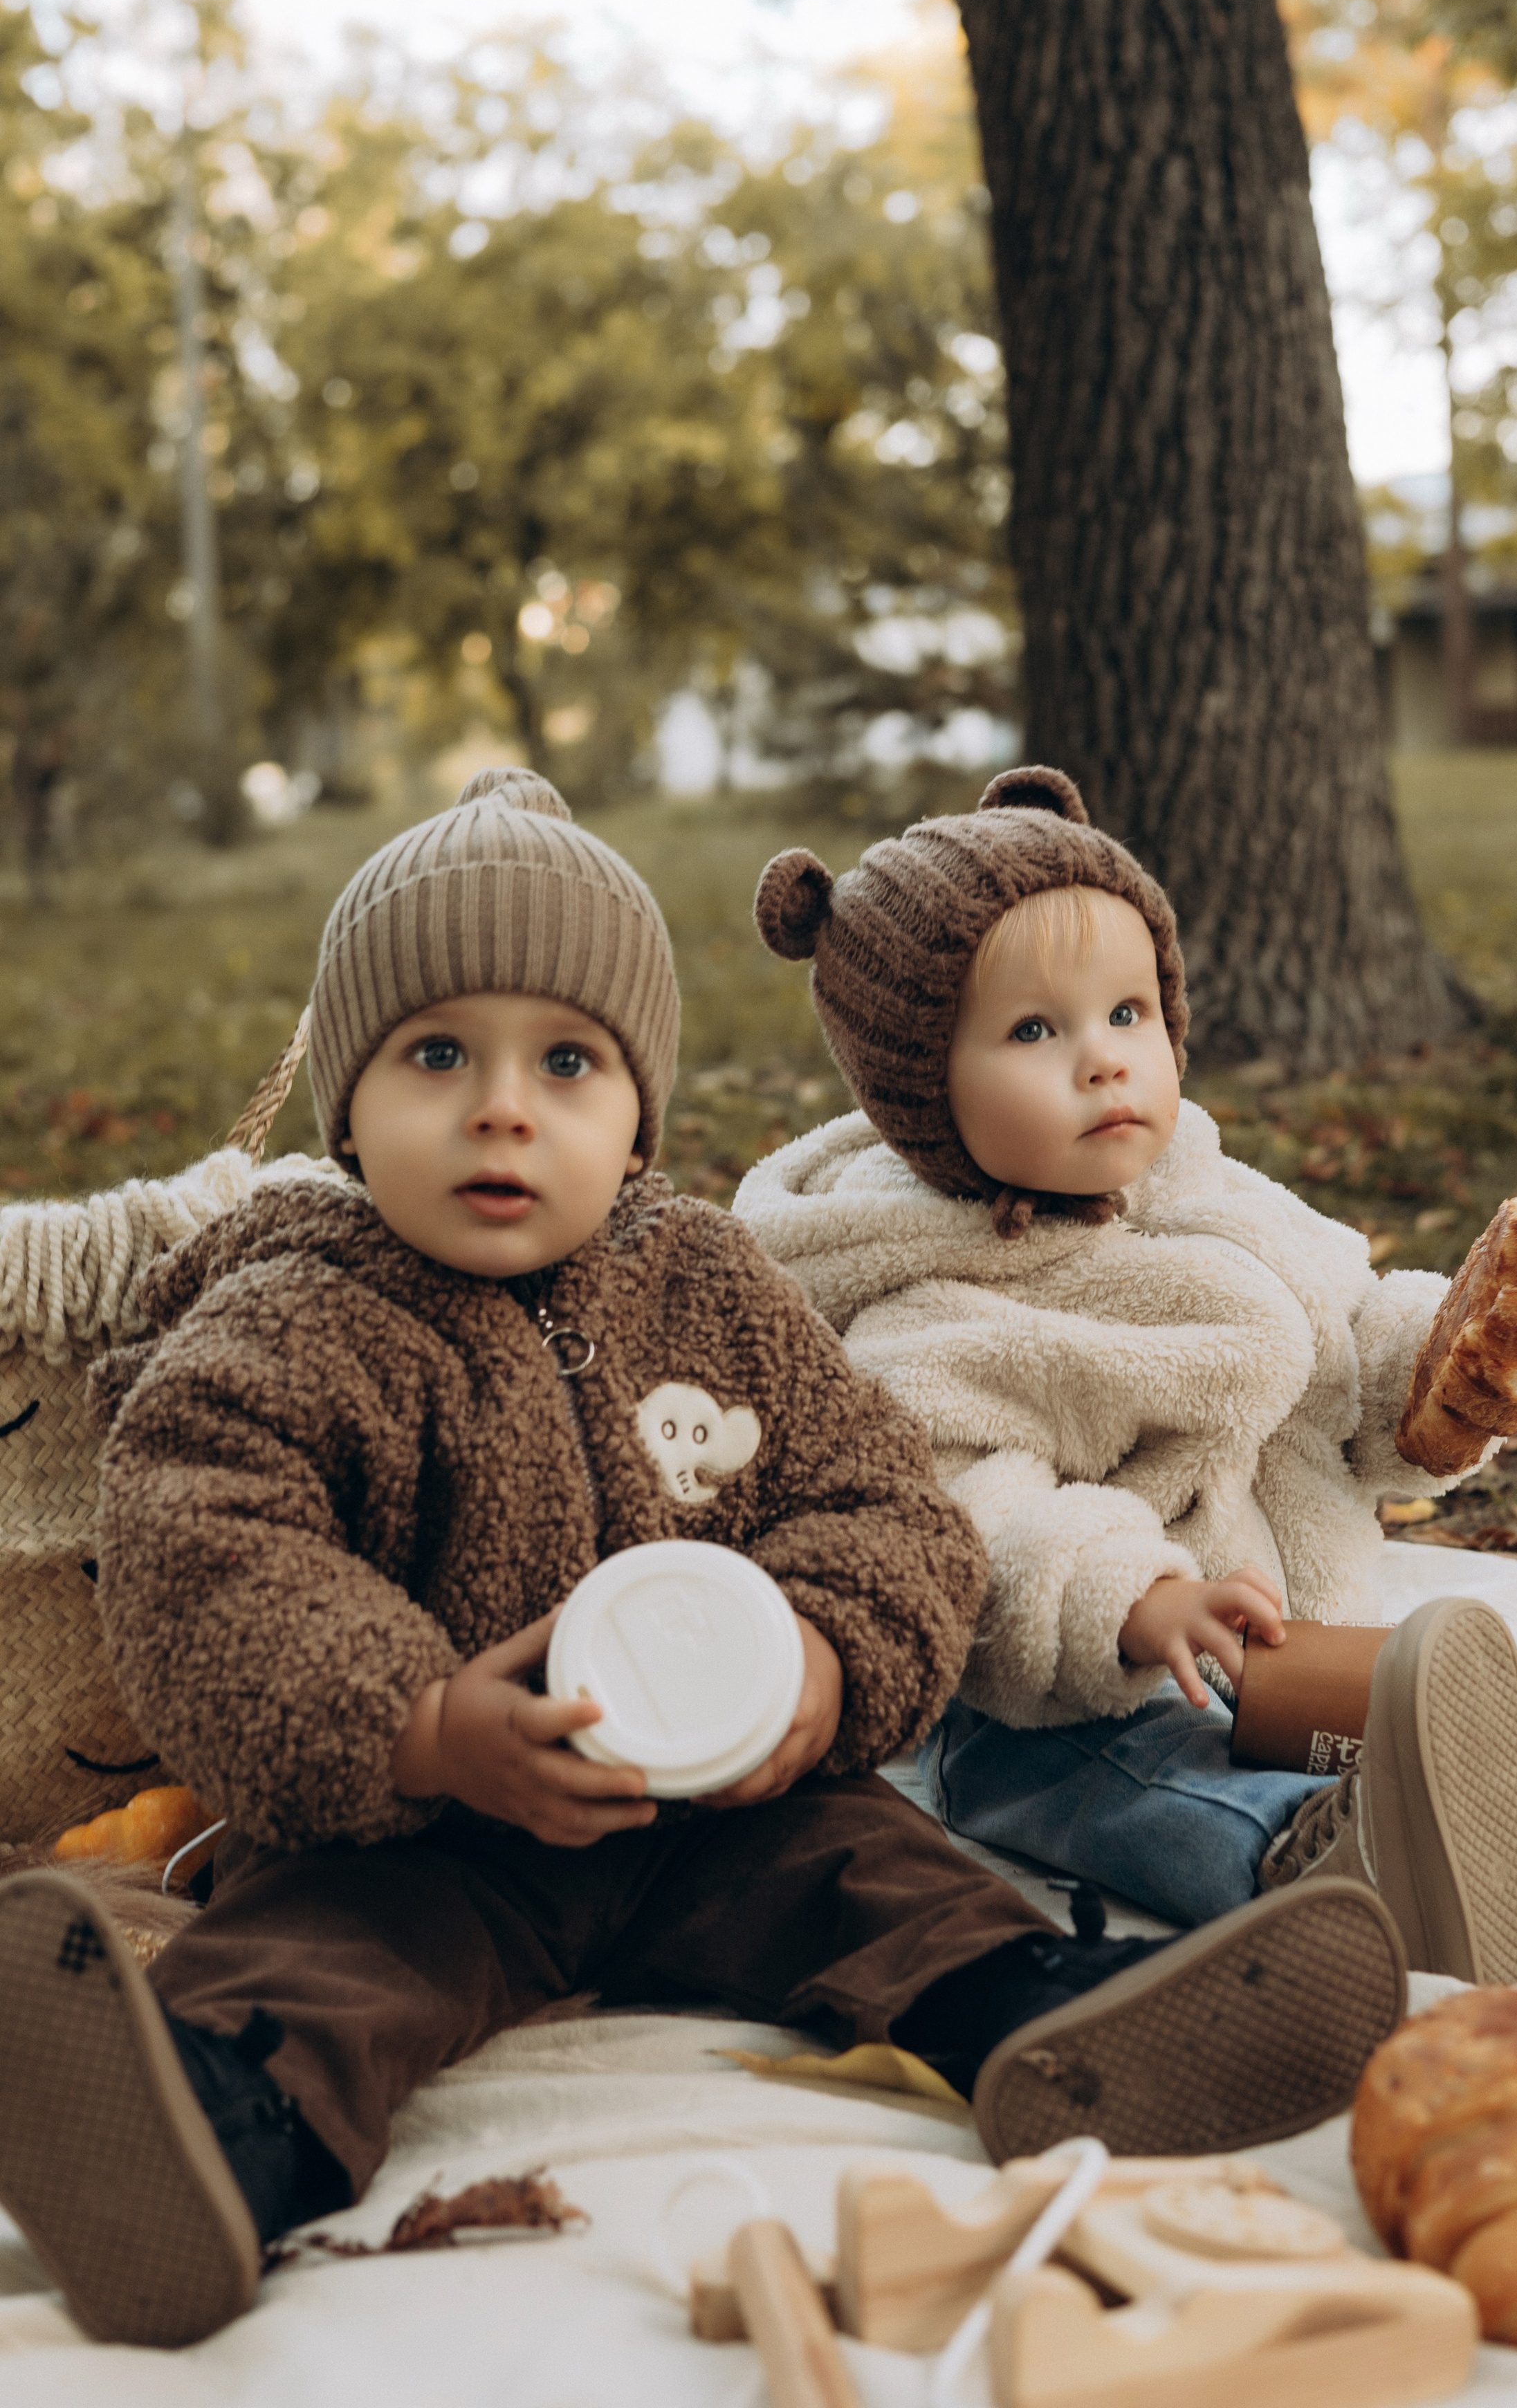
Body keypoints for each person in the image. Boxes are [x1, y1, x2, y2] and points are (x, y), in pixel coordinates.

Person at [0, 769, 1410, 2353]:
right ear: (344, 1105)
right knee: (321, 1973)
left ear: (638, 1110)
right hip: (417, 1826)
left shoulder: (707, 1286)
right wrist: (424, 1725)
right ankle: (207, 2141)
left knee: (885, 1879)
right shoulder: (286, 1321)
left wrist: (820, 1661)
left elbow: (884, 1503)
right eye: (437, 1054)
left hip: (723, 1802)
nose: (503, 1106)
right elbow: (206, 1560)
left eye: (569, 1061)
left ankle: (1057, 2027)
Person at [737, 765, 1517, 1966]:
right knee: (1143, 1785)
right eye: (1034, 1031)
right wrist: (1132, 1601)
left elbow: (1336, 1334)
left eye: (1127, 1014)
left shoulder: (1204, 1192)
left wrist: (1434, 1379)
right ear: (921, 1084)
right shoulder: (926, 1308)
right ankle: (1327, 1861)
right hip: (1066, 1692)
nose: (1103, 1060)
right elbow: (968, 1521)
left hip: (1286, 1643)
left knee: (1418, 1706)